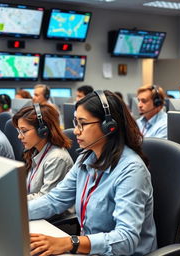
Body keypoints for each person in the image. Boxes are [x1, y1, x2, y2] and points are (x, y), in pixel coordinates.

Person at [28, 90, 157, 255]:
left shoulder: (132, 170)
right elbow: (55, 200)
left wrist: (70, 242)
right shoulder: (86, 158)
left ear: (109, 126)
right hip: (91, 250)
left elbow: (126, 239)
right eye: (76, 122)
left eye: (83, 123)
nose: (76, 131)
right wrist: (15, 212)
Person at [12, 103, 73, 200]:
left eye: (24, 131)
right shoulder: (34, 151)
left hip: (49, 213)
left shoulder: (56, 158)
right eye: (19, 131)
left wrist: (15, 200)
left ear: (42, 130)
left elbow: (45, 199)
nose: (19, 136)